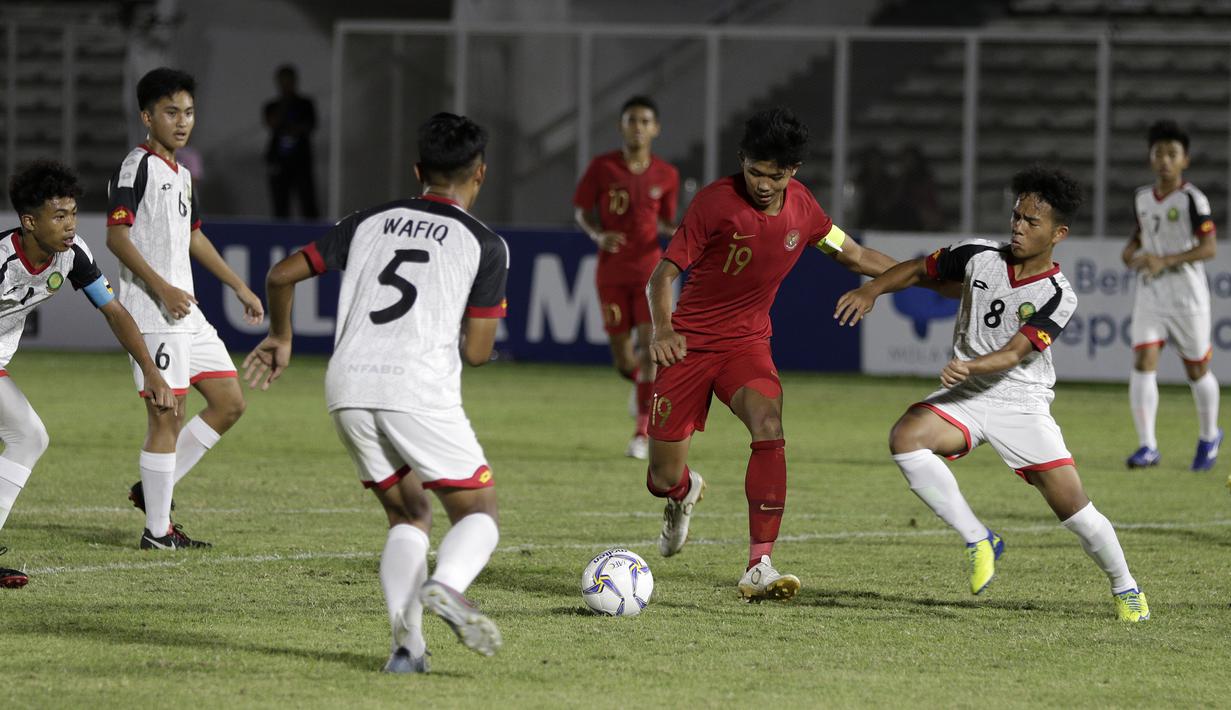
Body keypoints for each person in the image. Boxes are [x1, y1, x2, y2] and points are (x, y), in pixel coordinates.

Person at [243, 112, 508, 673]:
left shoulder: (369, 221)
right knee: (477, 511)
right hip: (416, 385)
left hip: (348, 383)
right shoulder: (484, 243)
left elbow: (282, 274)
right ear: (479, 174)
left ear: (418, 171)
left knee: (408, 513)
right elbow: (479, 352)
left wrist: (281, 336)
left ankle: (407, 647)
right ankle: (448, 587)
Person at [835, 165, 1150, 622]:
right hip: (968, 394)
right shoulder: (978, 255)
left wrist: (971, 364)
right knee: (906, 438)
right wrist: (873, 292)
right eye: (1016, 216)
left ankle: (1126, 588)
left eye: (1031, 222)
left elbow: (1016, 353)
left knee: (1075, 511)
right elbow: (917, 269)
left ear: (1058, 233)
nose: (1018, 227)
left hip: (1021, 403)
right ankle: (979, 538)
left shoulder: (1058, 295)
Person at [645, 107, 901, 602]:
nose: (763, 184)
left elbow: (856, 256)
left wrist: (922, 277)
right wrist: (663, 329)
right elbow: (663, 275)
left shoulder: (803, 209)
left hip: (747, 345)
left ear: (794, 172)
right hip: (689, 346)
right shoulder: (714, 204)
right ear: (742, 161)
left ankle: (759, 564)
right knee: (662, 476)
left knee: (769, 425)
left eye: (775, 175)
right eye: (755, 171)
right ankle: (683, 493)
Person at [106, 68, 265, 550]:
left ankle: (154, 489)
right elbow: (116, 237)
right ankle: (158, 531)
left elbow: (194, 236)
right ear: (147, 116)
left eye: (188, 112)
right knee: (166, 416)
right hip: (153, 311)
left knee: (229, 402)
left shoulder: (184, 174)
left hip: (184, 314)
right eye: (171, 112)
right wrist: (162, 288)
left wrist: (239, 286)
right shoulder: (138, 166)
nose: (182, 121)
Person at [1, 160, 176, 588]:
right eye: (58, 216)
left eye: (73, 213)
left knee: (28, 437)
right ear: (29, 222)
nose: (70, 224)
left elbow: (114, 311)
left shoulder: (73, 254)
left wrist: (151, 371)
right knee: (29, 436)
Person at [573, 96, 680, 459]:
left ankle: (642, 432)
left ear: (656, 128)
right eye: (632, 119)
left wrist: (680, 230)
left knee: (652, 349)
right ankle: (638, 387)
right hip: (612, 272)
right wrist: (597, 234)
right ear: (621, 125)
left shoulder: (667, 174)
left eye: (645, 120)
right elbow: (580, 211)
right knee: (624, 359)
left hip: (652, 274)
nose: (638, 126)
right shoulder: (602, 167)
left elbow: (666, 220)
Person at [1122, 120, 1221, 471]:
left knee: (1197, 370)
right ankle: (1147, 446)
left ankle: (1210, 435)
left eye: (1172, 154)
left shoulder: (1192, 199)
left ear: (1185, 161)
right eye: (1159, 153)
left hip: (1186, 296)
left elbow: (1209, 248)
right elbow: (1141, 234)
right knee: (1143, 361)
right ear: (1151, 159)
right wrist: (1130, 251)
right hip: (1151, 292)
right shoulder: (1142, 199)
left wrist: (1166, 259)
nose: (1165, 159)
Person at [263, 64, 320, 219]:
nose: (286, 84)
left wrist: (294, 128)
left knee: (307, 201)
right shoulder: (272, 106)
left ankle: (312, 236)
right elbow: (272, 123)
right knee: (280, 202)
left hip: (301, 160)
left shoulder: (305, 104)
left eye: (289, 80)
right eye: (283, 81)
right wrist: (285, 103)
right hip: (279, 160)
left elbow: (310, 126)